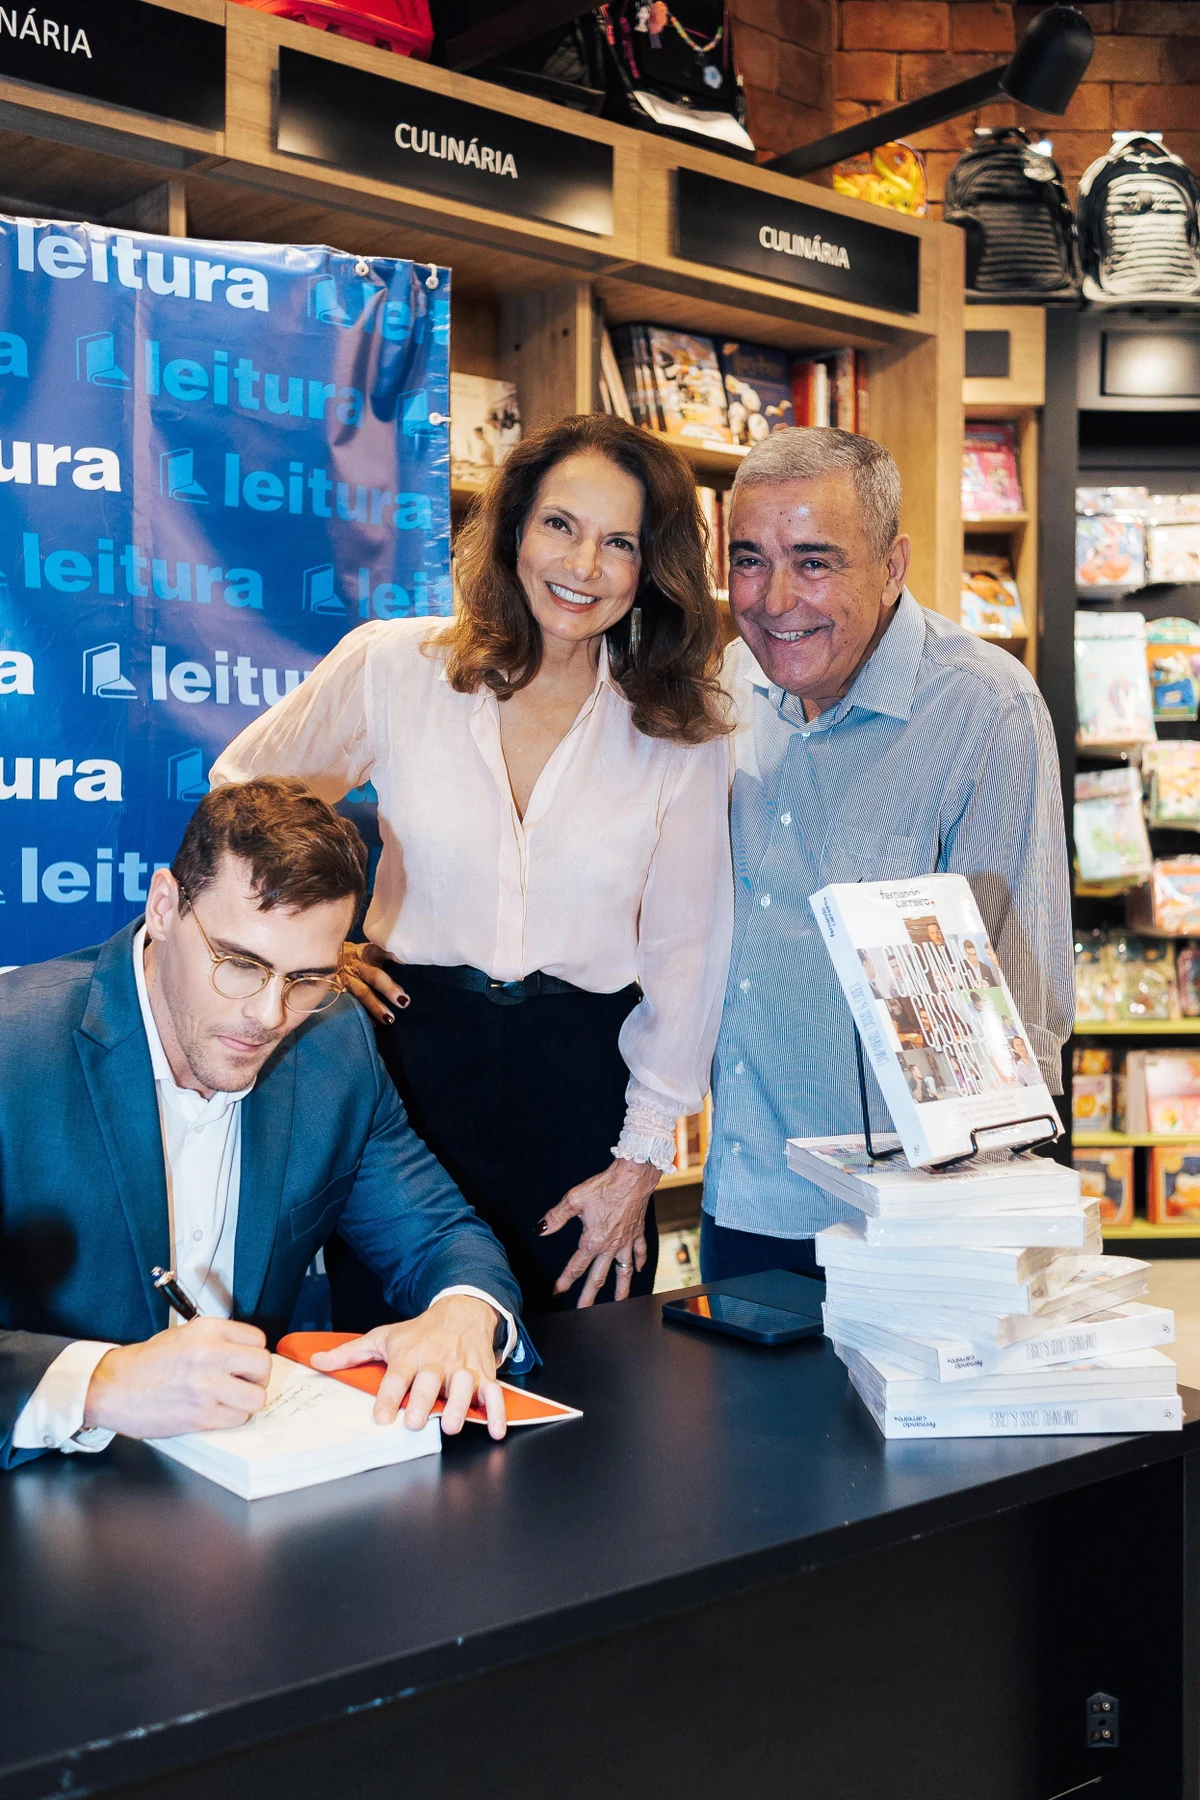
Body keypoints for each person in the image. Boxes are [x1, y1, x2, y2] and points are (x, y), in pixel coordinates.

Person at [212, 414, 733, 1316]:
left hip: (585, 1087)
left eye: (620, 543)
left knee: (588, 1384)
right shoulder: (397, 667)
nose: (582, 567)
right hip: (409, 1069)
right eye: (560, 525)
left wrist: (641, 1161)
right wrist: (318, 958)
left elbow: (688, 952)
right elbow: (244, 794)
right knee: (398, 1364)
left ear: (651, 570)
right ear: (514, 527)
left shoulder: (680, 722)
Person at [0, 779, 528, 1472]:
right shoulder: (16, 1047)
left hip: (246, 1497)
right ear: (164, 907)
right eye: (241, 965)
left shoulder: (333, 1045)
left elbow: (438, 1235)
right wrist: (101, 1384)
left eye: (308, 978)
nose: (271, 1016)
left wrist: (464, 1312)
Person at [703, 427, 1073, 1282]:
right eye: (750, 559)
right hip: (744, 1195)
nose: (774, 598)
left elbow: (1017, 1009)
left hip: (905, 1221)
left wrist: (977, 1240)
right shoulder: (729, 681)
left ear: (893, 565)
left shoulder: (986, 710)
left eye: (816, 561)